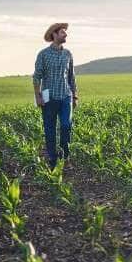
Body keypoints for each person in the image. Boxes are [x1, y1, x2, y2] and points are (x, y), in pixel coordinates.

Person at [33, 22, 78, 168]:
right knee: (50, 129)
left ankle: (65, 157)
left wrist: (75, 96)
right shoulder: (43, 54)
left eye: (65, 32)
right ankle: (52, 159)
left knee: (66, 125)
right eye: (63, 32)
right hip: (49, 98)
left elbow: (71, 77)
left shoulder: (68, 54)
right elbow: (37, 77)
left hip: (66, 96)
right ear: (54, 34)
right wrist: (38, 96)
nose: (66, 34)